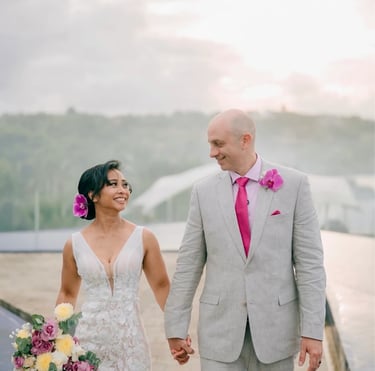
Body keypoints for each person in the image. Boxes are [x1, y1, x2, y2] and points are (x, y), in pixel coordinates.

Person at [164, 109, 326, 371]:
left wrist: (313, 331)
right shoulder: (202, 192)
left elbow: (310, 265)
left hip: (277, 332)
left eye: (218, 144)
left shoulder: (294, 185)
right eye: (210, 144)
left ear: (245, 140)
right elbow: (188, 264)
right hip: (219, 333)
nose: (212, 153)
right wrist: (175, 327)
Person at [56, 160, 170, 371]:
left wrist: (176, 331)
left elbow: (162, 286)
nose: (123, 190)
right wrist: (56, 341)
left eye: (125, 185)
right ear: (93, 195)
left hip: (131, 343)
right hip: (88, 342)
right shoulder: (74, 244)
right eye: (113, 184)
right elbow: (67, 293)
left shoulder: (144, 237)